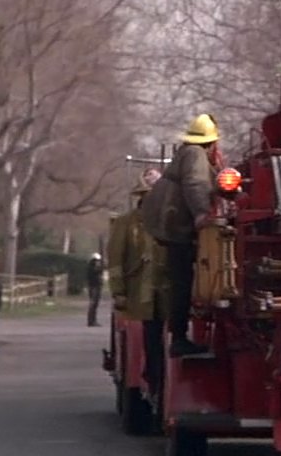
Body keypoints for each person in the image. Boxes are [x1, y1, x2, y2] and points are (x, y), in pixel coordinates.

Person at [158, 113, 221, 357]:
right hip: (182, 230)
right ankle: (180, 339)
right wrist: (202, 215)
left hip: (173, 228)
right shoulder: (195, 155)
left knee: (181, 281)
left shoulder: (184, 153)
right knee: (183, 282)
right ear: (211, 141)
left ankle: (179, 336)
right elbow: (195, 184)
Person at [108, 169, 167, 397]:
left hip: (168, 293)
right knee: (150, 337)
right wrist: (119, 292)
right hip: (140, 294)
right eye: (148, 194)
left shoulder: (171, 221)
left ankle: (161, 380)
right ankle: (152, 380)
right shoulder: (126, 223)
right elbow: (115, 260)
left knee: (168, 340)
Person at [86, 253, 105, 327]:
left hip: (95, 287)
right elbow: (97, 272)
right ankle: (91, 321)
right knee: (93, 304)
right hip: (94, 287)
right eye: (97, 261)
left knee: (94, 304)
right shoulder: (92, 268)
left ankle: (93, 320)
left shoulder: (93, 267)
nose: (98, 262)